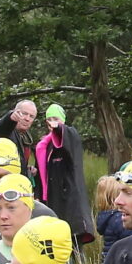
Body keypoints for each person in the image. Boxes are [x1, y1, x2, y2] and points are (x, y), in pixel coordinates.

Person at [34, 104, 91, 242]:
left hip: (69, 196)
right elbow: (42, 174)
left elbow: (65, 135)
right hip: (51, 198)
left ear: (63, 120)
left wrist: (58, 128)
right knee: (55, 239)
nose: (51, 122)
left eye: (56, 118)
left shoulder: (70, 136)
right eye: (49, 119)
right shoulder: (43, 146)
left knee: (74, 239)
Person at [0, 98, 41, 191]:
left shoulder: (25, 136)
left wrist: (28, 170)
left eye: (31, 116)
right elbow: (0, 128)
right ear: (15, 112)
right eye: (24, 113)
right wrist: (10, 118)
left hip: (16, 187)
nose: (27, 118)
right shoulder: (5, 129)